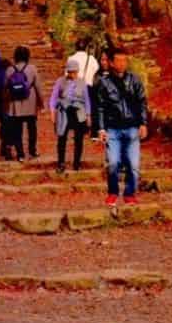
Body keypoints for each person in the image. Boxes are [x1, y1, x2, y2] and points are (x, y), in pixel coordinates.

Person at [90, 48, 149, 207]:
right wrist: (101, 129)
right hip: (112, 128)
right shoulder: (104, 83)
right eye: (118, 61)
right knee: (114, 162)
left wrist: (143, 123)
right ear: (111, 63)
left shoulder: (135, 80)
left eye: (124, 60)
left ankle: (130, 193)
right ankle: (113, 192)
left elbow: (142, 102)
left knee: (133, 164)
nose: (122, 64)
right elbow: (100, 107)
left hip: (132, 127)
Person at [48, 58, 91, 174]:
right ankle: (61, 163)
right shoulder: (60, 81)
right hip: (64, 111)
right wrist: (52, 111)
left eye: (75, 72)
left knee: (79, 139)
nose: (72, 74)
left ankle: (77, 163)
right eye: (70, 72)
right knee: (62, 137)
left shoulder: (82, 82)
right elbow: (53, 97)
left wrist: (88, 115)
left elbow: (86, 100)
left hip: (78, 112)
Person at [1, 45, 41, 161]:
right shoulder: (32, 69)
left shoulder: (10, 70)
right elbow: (38, 87)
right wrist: (41, 102)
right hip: (30, 103)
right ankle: (32, 151)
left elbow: (5, 87)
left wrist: (5, 103)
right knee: (32, 128)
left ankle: (20, 154)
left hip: (15, 105)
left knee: (17, 130)